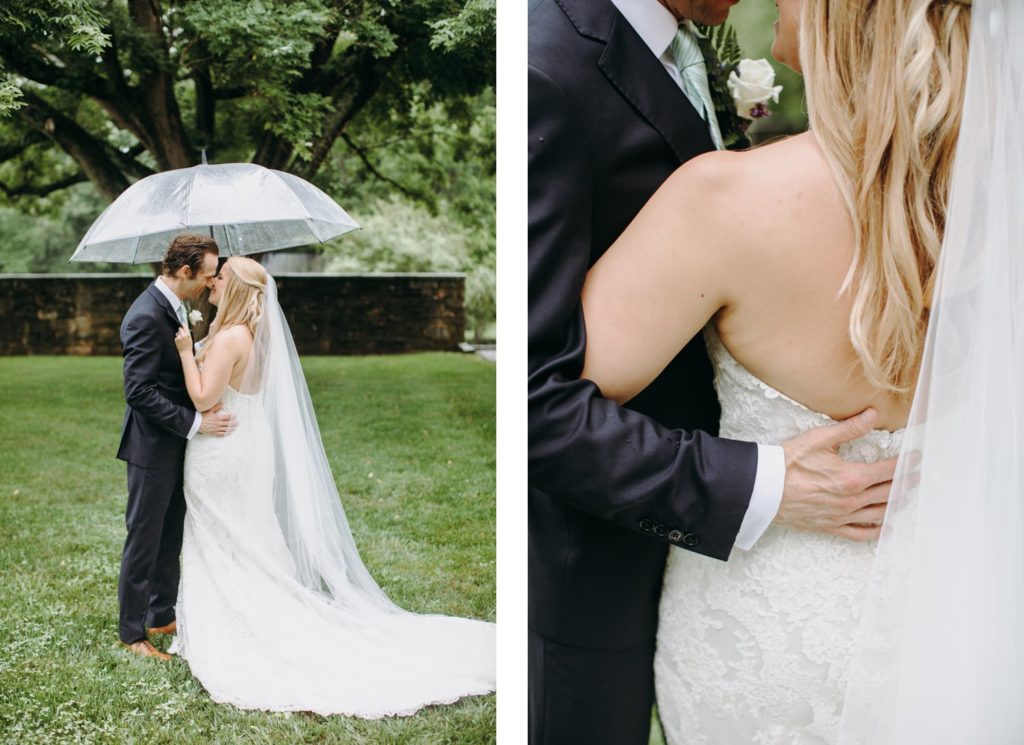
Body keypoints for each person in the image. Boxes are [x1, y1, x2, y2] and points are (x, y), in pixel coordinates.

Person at [578, 0, 980, 741]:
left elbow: (559, 405)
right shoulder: (997, 213)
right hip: (963, 627)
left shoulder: (728, 200)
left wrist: (745, 480)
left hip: (764, 628)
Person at [168, 256, 495, 717]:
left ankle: (231, 619)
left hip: (222, 451)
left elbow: (204, 397)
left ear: (237, 289)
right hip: (248, 446)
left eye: (220, 277)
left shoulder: (230, 338)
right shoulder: (253, 337)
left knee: (223, 533)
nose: (212, 282)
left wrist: (186, 352)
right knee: (247, 531)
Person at [116, 234, 236, 660]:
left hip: (174, 447)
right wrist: (197, 422)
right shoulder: (145, 315)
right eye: (206, 275)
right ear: (185, 272)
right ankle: (132, 634)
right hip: (151, 448)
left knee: (169, 534)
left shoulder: (173, 307)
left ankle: (161, 612)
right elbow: (140, 392)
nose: (209, 283)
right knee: (144, 537)